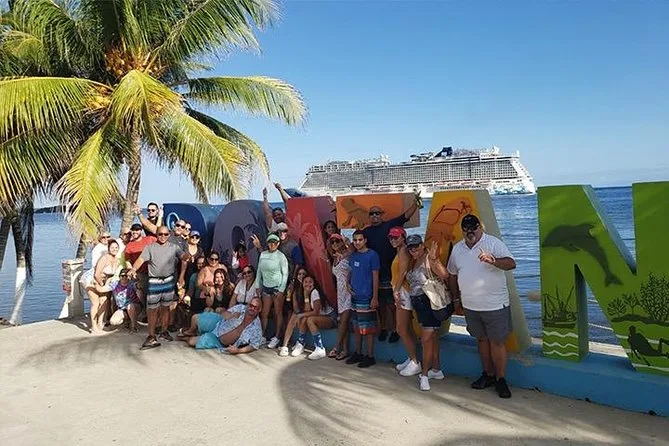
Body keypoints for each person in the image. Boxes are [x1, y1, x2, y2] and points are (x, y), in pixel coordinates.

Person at [447, 214, 516, 399]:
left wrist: (494, 261)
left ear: (480, 227)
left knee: (497, 342)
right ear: (462, 230)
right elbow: (452, 274)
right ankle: (488, 375)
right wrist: (456, 299)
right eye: (466, 229)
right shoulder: (457, 249)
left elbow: (511, 264)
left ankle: (501, 379)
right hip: (471, 305)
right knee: (481, 340)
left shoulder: (493, 243)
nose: (470, 232)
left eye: (473, 228)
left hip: (495, 305)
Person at [363, 195, 421, 343]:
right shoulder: (366, 231)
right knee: (380, 305)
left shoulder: (389, 226)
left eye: (377, 213)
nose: (374, 215)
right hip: (376, 274)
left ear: (382, 215)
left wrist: (416, 204)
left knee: (393, 305)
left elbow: (406, 216)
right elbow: (358, 246)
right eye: (372, 213)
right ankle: (383, 328)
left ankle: (396, 329)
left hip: (392, 274)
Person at [130, 226, 189, 350]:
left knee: (166, 308)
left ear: (169, 235)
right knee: (152, 310)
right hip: (154, 281)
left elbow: (184, 257)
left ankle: (164, 332)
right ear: (156, 234)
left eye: (166, 234)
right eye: (160, 234)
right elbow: (140, 259)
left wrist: (183, 271)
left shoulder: (174, 247)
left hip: (169, 281)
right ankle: (151, 336)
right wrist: (133, 269)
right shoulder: (150, 248)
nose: (163, 236)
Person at [405, 235, 449, 391]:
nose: (413, 250)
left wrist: (435, 260)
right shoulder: (414, 260)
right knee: (432, 338)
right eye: (410, 247)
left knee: (426, 340)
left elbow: (444, 275)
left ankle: (424, 375)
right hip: (419, 304)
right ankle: (436, 369)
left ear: (422, 245)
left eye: (416, 246)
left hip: (429, 303)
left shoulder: (428, 258)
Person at [279, 274, 336, 359]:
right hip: (322, 317)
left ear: (314, 283)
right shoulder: (308, 293)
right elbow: (307, 310)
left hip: (330, 318)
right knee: (305, 318)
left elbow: (316, 312)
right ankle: (300, 343)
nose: (308, 284)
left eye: (310, 282)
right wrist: (306, 295)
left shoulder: (315, 292)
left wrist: (299, 315)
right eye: (305, 282)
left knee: (310, 320)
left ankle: (320, 348)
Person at [180, 297, 263, 355]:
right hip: (218, 323)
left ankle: (187, 337)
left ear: (259, 310)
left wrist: (238, 350)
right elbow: (223, 315)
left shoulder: (257, 328)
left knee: (191, 341)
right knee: (194, 318)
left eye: (255, 307)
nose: (252, 308)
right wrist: (231, 315)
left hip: (218, 340)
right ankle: (190, 331)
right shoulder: (241, 308)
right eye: (251, 305)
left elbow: (254, 346)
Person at [345, 230, 380, 368]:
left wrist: (375, 297)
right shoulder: (353, 256)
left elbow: (375, 276)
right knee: (356, 327)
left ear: (365, 240)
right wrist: (347, 284)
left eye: (360, 240)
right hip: (355, 296)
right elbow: (350, 271)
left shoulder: (372, 255)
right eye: (355, 240)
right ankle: (358, 352)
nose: (357, 242)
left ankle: (370, 356)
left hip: (367, 297)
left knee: (368, 329)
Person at [389, 227, 420, 376]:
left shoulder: (403, 251)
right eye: (391, 238)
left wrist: (396, 290)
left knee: (401, 328)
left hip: (403, 291)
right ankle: (412, 358)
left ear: (403, 237)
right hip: (401, 289)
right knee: (407, 327)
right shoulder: (400, 251)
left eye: (396, 237)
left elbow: (403, 272)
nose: (393, 240)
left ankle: (415, 361)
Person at [254, 233, 289, 347]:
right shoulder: (263, 254)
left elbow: (285, 274)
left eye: (274, 242)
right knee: (264, 312)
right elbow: (259, 271)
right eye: (270, 242)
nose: (272, 244)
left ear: (278, 244)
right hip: (266, 288)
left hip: (277, 288)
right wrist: (257, 285)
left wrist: (281, 290)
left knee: (278, 312)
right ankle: (262, 336)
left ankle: (277, 337)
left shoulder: (281, 256)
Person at [83, 239, 121, 334]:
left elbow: (111, 276)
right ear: (108, 249)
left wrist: (106, 286)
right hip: (92, 280)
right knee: (95, 303)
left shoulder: (117, 260)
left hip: (103, 282)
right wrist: (101, 286)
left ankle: (100, 324)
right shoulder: (104, 258)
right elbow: (97, 274)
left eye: (116, 247)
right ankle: (94, 327)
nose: (114, 249)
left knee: (104, 301)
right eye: (112, 248)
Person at [328, 233, 352, 360]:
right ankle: (345, 350)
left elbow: (353, 253)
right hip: (340, 292)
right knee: (343, 321)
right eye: (332, 242)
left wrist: (347, 243)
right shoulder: (335, 257)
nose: (335, 244)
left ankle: (337, 346)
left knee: (344, 319)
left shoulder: (349, 253)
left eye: (337, 241)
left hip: (349, 290)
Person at [123, 223, 156, 307]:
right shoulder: (129, 246)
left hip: (154, 272)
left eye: (137, 230)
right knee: (142, 293)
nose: (135, 232)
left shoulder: (150, 239)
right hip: (140, 273)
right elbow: (128, 261)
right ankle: (145, 310)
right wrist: (132, 271)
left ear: (141, 231)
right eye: (133, 230)